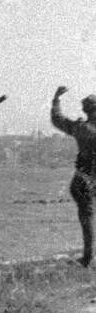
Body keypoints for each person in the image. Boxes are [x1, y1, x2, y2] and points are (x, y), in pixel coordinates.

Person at [50, 86, 96, 267]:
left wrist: (56, 99)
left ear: (86, 110)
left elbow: (57, 119)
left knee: (87, 218)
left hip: (84, 179)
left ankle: (88, 258)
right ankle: (88, 258)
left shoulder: (82, 128)